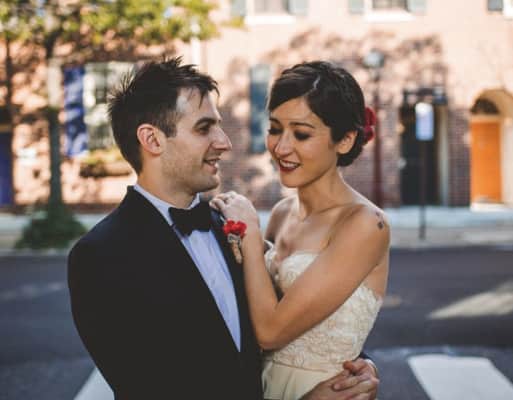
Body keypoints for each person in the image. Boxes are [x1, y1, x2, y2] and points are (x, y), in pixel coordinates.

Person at [68, 57, 379, 400]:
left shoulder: (228, 223)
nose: (224, 142)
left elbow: (298, 317)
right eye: (204, 129)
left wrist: (351, 365)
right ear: (152, 140)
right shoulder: (100, 257)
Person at [212, 61, 389, 400]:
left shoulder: (365, 224)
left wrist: (249, 233)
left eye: (302, 134)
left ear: (345, 140)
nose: (281, 148)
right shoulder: (282, 213)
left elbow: (270, 331)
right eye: (274, 129)